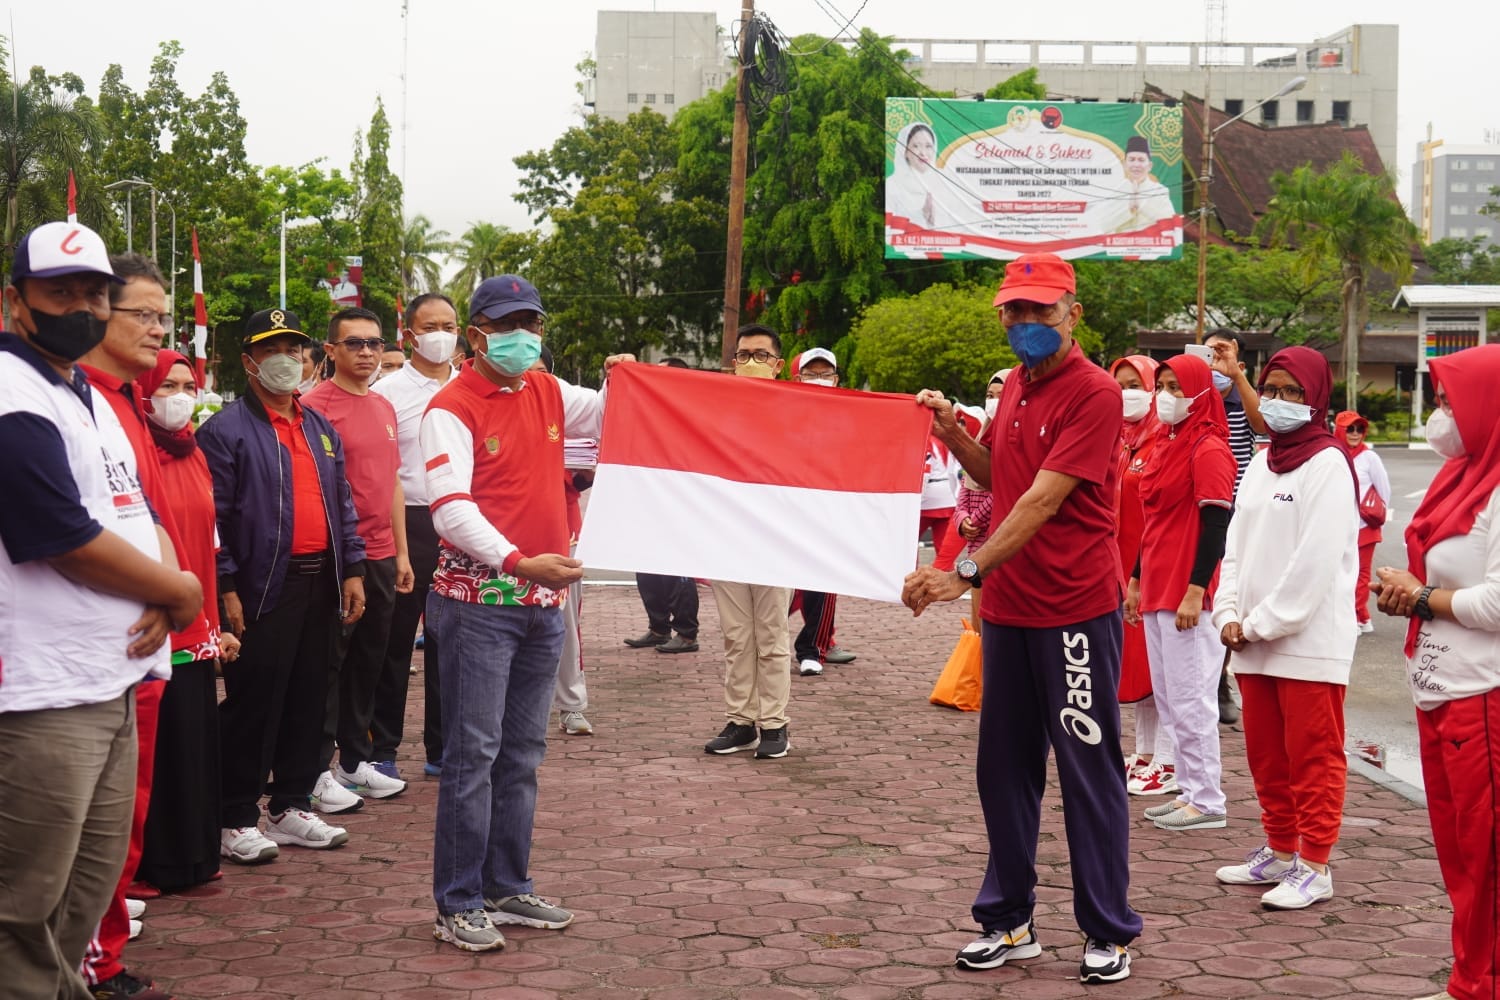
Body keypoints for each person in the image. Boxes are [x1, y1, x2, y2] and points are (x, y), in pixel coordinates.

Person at [904, 252, 1141, 983]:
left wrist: (962, 573)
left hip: (1072, 610)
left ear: (1074, 312)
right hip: (1007, 613)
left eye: (1042, 309)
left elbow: (1042, 501)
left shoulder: (1094, 394)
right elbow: (998, 478)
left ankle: (1108, 929)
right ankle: (1009, 921)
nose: (1028, 322)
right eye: (1016, 309)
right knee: (1002, 771)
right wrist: (952, 430)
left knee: (1086, 770)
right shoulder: (1016, 389)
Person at [0, 221, 202, 999]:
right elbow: (57, 532)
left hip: (109, 677)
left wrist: (162, 577)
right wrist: (174, 590)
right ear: (18, 302)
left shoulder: (84, 394)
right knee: (25, 903)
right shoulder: (14, 391)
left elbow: (135, 507)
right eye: (61, 292)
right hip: (42, 696)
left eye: (93, 293)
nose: (80, 307)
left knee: (83, 897)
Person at [420, 274, 632, 951]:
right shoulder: (451, 407)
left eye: (533, 325)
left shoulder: (544, 388)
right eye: (510, 325)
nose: (525, 338)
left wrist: (622, 380)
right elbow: (450, 509)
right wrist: (516, 561)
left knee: (521, 755)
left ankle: (506, 887)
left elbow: (608, 413)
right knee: (473, 755)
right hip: (480, 602)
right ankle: (456, 902)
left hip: (543, 600)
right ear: (476, 334)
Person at [78, 255, 219, 1000]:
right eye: (146, 315)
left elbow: (149, 512)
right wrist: (175, 591)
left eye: (165, 317)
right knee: (80, 833)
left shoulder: (123, 403)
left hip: (144, 640)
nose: (161, 331)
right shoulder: (65, 398)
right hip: (90, 646)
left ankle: (101, 957)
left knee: (117, 823)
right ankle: (87, 962)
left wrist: (177, 593)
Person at [197, 308, 367, 865]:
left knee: (309, 697)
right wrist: (225, 589)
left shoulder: (318, 428)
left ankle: (292, 803)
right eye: (274, 350)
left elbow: (342, 506)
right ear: (249, 361)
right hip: (262, 586)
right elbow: (212, 521)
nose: (288, 360)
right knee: (255, 703)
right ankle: (235, 814)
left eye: (295, 349)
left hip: (323, 580)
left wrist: (355, 569)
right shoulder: (225, 432)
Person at [1372, 344, 1500, 1000]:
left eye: (1452, 402)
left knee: (1488, 858)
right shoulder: (1460, 474)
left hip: (1484, 694)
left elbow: (1498, 603)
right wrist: (1411, 589)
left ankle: (1483, 983)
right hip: (1439, 689)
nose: (1440, 415)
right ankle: (1469, 980)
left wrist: (1419, 597)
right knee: (1460, 854)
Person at [1211, 346, 1357, 911]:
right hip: (1249, 637)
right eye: (1270, 389)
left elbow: (1315, 560)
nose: (1278, 401)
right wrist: (1228, 613)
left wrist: (1263, 623)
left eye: (1292, 392)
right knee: (1268, 756)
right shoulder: (1263, 462)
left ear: (1316, 399)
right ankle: (1278, 847)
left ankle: (1315, 863)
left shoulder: (1328, 463)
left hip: (1306, 640)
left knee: (1313, 755)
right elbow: (1236, 546)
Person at [304, 307, 414, 808]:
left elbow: (391, 482)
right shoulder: (312, 407)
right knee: (329, 663)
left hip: (382, 554)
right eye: (355, 344)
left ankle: (353, 760)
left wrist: (402, 553)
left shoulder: (383, 406)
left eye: (374, 343)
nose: (367, 352)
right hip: (336, 556)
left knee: (371, 658)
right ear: (331, 351)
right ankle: (312, 768)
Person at [136, 349, 235, 897]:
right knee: (161, 748)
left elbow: (209, 543)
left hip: (198, 621)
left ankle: (198, 857)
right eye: (167, 385)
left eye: (187, 385)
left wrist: (217, 623)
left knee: (196, 743)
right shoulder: (136, 452)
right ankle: (155, 865)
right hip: (155, 618)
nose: (179, 396)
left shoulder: (194, 452)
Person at [1124, 355, 1234, 831]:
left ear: (1201, 393)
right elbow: (1153, 523)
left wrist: (1196, 591)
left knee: (1193, 700)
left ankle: (1208, 799)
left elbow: (1216, 524)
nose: (1166, 396)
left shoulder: (1208, 448)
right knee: (1170, 697)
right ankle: (1188, 790)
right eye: (1162, 385)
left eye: (1176, 387)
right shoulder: (1166, 443)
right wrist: (1134, 579)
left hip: (1187, 593)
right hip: (1156, 587)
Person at [371, 292, 461, 777]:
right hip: (408, 523)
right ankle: (382, 746)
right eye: (431, 326)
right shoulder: (387, 393)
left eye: (449, 324)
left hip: (462, 525)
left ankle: (442, 748)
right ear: (409, 334)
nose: (441, 335)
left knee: (452, 641)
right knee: (395, 640)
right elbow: (384, 471)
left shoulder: (471, 387)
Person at [702, 325, 797, 760]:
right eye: (743, 355)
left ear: (778, 365)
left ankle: (775, 723)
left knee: (772, 636)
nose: (751, 361)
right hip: (728, 539)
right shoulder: (715, 414)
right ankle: (741, 720)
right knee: (737, 636)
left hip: (778, 542)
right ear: (732, 362)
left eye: (760, 354)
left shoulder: (800, 412)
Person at [1109, 356, 1174, 797]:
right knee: (1135, 666)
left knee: (1162, 669)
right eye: (1121, 384)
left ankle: (1169, 759)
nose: (1128, 392)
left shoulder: (1162, 442)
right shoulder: (1124, 439)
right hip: (1120, 567)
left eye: (1136, 384)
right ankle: (1144, 752)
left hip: (1153, 566)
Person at [1206, 328, 1267, 725]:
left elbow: (1263, 424)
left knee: (1226, 595)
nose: (1214, 361)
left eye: (1222, 354)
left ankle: (1219, 680)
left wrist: (1237, 379)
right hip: (1196, 508)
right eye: (1208, 354)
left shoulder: (1242, 402)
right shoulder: (1190, 397)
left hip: (1233, 512)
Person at [623, 357, 702, 655]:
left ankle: (686, 633)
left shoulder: (691, 417)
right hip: (649, 501)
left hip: (680, 504)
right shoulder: (650, 414)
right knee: (646, 567)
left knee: (678, 569)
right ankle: (658, 628)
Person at [788, 347, 844, 678]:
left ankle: (812, 649)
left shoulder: (850, 415)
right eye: (812, 374)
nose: (819, 380)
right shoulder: (781, 413)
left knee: (822, 583)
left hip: (829, 510)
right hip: (788, 507)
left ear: (836, 380)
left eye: (825, 375)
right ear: (797, 378)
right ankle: (764, 645)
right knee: (774, 584)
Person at [1334, 410, 1391, 633]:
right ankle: (1364, 617)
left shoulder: (1369, 458)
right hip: (1338, 526)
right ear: (1339, 430)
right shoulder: (1333, 454)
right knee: (1339, 573)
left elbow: (1384, 492)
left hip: (1365, 526)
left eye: (1359, 429)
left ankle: (1356, 617)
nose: (1355, 433)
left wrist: (1379, 520)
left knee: (1360, 575)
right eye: (1350, 428)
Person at [887, 122, 967, 231]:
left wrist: (934, 221)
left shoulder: (946, 182)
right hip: (906, 247)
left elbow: (960, 229)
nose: (923, 153)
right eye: (916, 146)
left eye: (928, 146)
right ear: (904, 151)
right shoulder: (892, 185)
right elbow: (889, 235)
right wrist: (921, 215)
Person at [1095, 136, 1177, 234]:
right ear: (1125, 164)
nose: (1136, 165)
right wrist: (1129, 209)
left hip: (1151, 247)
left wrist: (1140, 205)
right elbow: (1103, 226)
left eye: (1141, 160)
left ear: (1150, 166)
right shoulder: (1115, 190)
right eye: (1132, 159)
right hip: (1121, 246)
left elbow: (1169, 227)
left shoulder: (1159, 190)